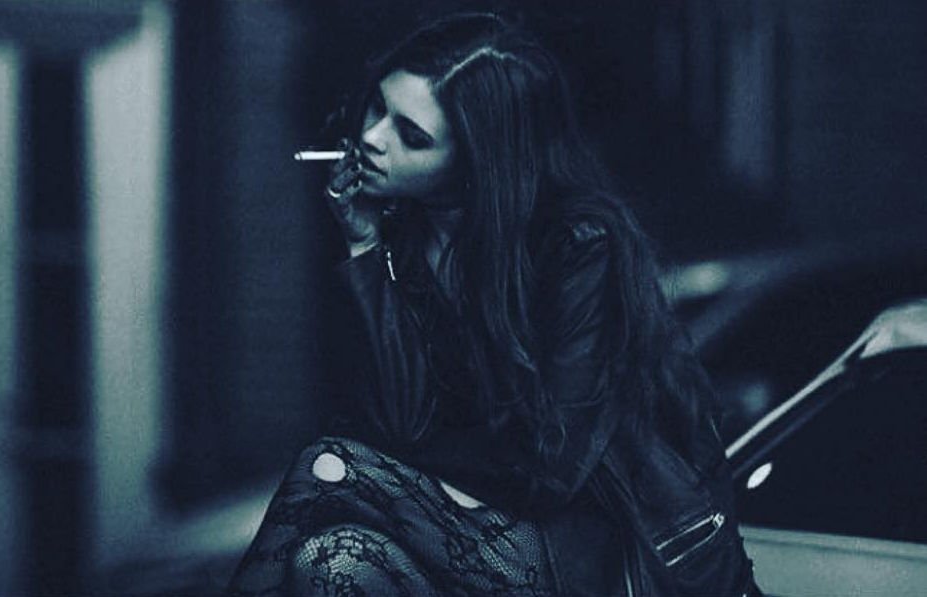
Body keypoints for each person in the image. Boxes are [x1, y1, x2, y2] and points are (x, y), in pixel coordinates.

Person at [227, 13, 761, 596]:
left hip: (589, 551)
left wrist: (409, 466)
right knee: (331, 561)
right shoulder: (408, 235)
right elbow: (404, 420)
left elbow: (552, 466)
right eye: (377, 107)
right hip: (471, 532)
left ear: (477, 159)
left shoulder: (579, 247)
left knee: (330, 466)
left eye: (412, 136)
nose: (373, 138)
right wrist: (364, 245)